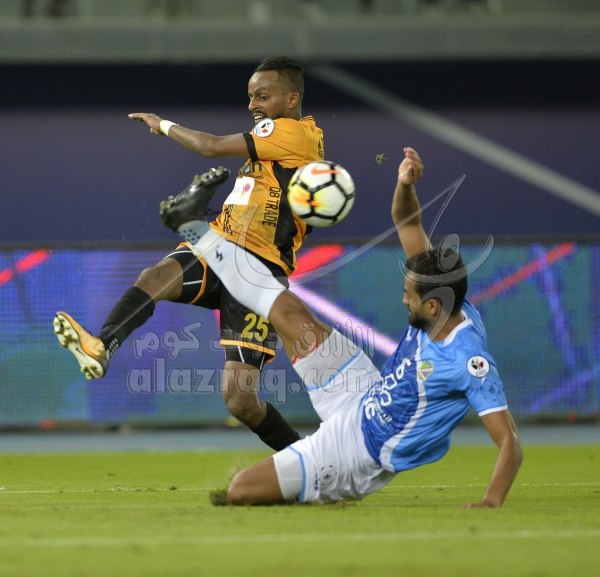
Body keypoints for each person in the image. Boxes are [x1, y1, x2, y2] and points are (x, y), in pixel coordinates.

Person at [159, 147, 523, 506]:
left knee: (241, 490)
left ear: (432, 306)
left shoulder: (467, 360)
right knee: (286, 309)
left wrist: (490, 502)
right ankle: (194, 227)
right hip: (361, 389)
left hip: (359, 451)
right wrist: (405, 183)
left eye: (408, 296)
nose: (403, 300)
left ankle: (313, 475)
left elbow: (509, 441)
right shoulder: (441, 294)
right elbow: (408, 221)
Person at [54, 56, 325, 451]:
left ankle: (308, 461)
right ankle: (101, 346)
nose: (253, 105)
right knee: (154, 277)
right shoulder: (283, 140)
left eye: (263, 96)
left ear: (291, 99)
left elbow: (210, 147)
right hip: (220, 244)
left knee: (240, 400)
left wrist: (162, 125)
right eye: (251, 96)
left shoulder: (290, 132)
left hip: (259, 268)